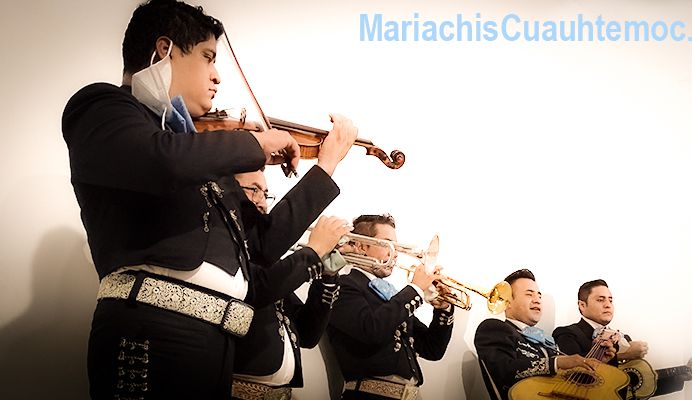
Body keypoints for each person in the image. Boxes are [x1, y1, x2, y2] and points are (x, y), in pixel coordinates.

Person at [61, 0, 356, 398]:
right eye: (208, 57)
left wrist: (325, 168)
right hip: (152, 334)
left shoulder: (198, 152)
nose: (217, 77)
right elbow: (159, 160)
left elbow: (263, 244)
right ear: (165, 51)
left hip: (215, 342)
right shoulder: (104, 106)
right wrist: (251, 143)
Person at [231, 170, 349, 400]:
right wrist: (312, 252)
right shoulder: (232, 253)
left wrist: (328, 278)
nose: (262, 201)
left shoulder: (267, 269)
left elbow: (307, 335)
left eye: (265, 194)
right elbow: (260, 288)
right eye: (253, 189)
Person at [326, 214, 455, 400]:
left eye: (397, 247)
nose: (394, 253)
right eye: (387, 244)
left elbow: (432, 349)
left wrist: (443, 309)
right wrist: (415, 289)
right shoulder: (344, 286)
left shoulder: (391, 295)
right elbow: (370, 330)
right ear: (362, 246)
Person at [552, 279, 692, 398]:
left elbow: (636, 387)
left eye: (610, 300)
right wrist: (624, 355)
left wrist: (678, 378)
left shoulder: (625, 338)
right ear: (582, 305)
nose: (608, 305)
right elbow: (575, 374)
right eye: (600, 300)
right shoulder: (566, 333)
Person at [474, 269, 610, 400]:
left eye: (539, 295)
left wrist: (598, 362)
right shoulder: (494, 328)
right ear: (507, 302)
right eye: (529, 294)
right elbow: (503, 370)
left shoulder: (544, 340)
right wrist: (557, 362)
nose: (537, 300)